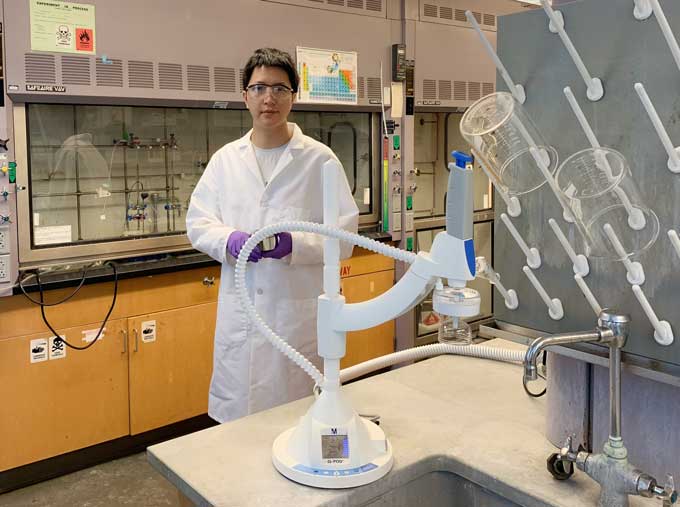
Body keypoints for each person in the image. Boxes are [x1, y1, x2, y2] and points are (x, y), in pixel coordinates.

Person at [186, 48, 359, 423]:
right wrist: (228, 240)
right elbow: (198, 223)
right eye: (259, 87)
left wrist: (293, 245)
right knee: (241, 440)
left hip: (294, 323)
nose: (269, 98)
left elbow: (345, 238)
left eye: (280, 88)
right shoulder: (225, 161)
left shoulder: (320, 161)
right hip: (242, 318)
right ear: (244, 95)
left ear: (294, 96)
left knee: (297, 425)